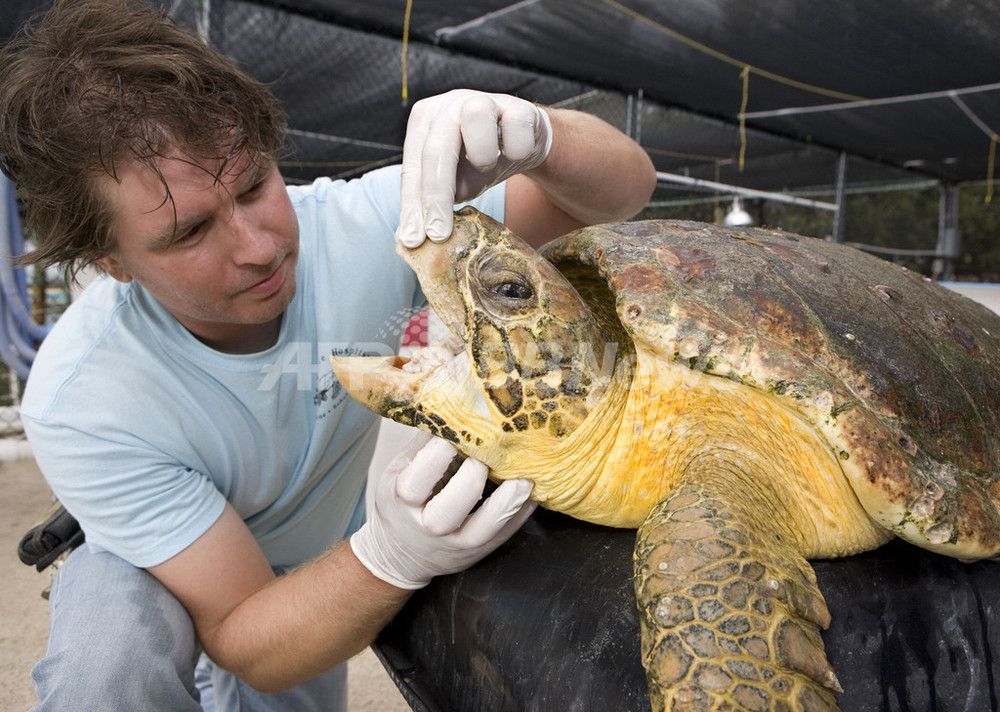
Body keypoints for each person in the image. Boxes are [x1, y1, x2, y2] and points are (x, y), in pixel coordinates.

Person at [0, 0, 656, 709]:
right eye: (189, 233)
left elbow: (622, 192)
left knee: (288, 674)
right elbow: (242, 629)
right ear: (112, 261)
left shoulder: (364, 224)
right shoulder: (86, 399)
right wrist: (388, 557)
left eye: (255, 185)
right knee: (109, 667)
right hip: (170, 562)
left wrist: (543, 137)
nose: (260, 248)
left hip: (315, 542)